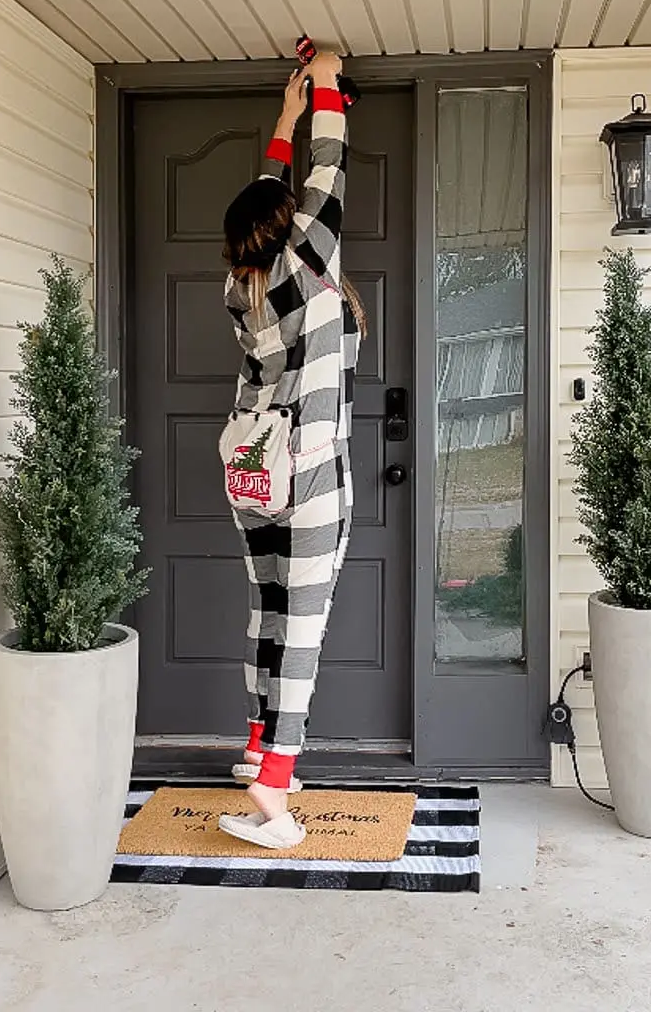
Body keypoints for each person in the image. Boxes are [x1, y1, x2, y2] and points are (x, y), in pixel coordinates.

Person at [217, 52, 365, 849]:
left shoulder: (238, 287)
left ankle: (256, 750)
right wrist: (330, 81)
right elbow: (329, 164)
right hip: (309, 476)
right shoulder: (309, 261)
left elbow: (273, 198)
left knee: (267, 610)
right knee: (303, 623)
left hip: (252, 475)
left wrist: (284, 119)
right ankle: (276, 798)